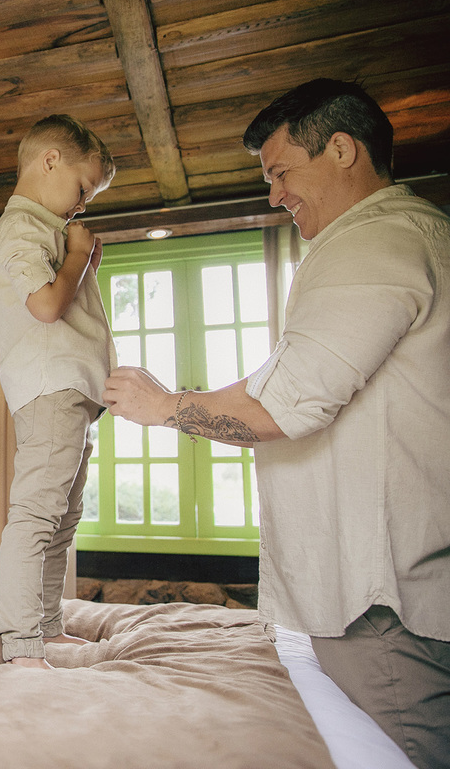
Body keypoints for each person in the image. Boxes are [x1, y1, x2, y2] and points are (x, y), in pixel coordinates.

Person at [102, 78, 449, 768]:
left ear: (343, 149)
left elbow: (280, 408)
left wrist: (163, 406)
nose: (274, 195)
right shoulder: (416, 235)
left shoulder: (371, 243)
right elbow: (291, 391)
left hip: (381, 601)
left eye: (281, 172)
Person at [0, 114, 117, 668]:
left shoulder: (53, 231)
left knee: (64, 519)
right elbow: (45, 305)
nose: (84, 203)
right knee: (38, 514)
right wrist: (79, 259)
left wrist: (78, 260)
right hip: (50, 389)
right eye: (85, 188)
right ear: (50, 161)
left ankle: (46, 626)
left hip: (74, 393)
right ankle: (19, 642)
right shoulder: (22, 228)